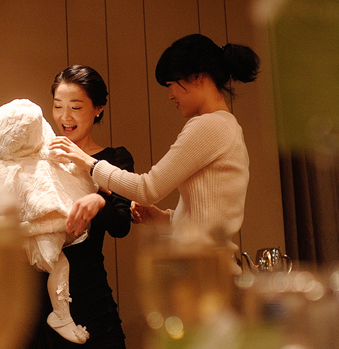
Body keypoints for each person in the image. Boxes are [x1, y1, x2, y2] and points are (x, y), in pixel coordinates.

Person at [50, 34, 259, 259]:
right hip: (207, 262)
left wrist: (89, 163)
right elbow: (210, 214)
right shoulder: (226, 125)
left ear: (197, 77)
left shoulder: (209, 125)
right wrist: (164, 218)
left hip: (203, 266)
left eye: (171, 85)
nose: (170, 95)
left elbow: (147, 189)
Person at [12, 65, 134, 349]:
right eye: (58, 106)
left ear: (98, 108)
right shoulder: (37, 157)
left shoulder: (113, 159)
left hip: (88, 297)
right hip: (33, 304)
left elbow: (121, 224)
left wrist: (98, 197)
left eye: (76, 107)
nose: (65, 117)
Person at [0, 98, 93, 344]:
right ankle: (62, 315)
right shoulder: (34, 162)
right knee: (58, 264)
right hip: (32, 231)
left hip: (4, 235)